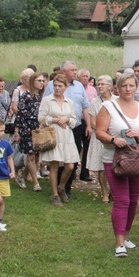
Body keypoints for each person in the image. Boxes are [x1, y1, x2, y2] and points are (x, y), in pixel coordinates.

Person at [95, 71, 139, 257]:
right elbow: (99, 132)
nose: (128, 89)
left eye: (131, 85)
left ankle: (126, 235)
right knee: (122, 200)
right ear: (117, 87)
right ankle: (119, 242)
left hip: (137, 160)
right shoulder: (108, 106)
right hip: (115, 159)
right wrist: (113, 140)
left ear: (136, 87)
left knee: (134, 199)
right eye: (124, 85)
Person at [45, 61, 90, 196]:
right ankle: (56, 189)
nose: (75, 72)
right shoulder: (50, 87)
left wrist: (88, 125)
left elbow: (85, 106)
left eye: (76, 70)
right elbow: (44, 109)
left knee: (72, 161)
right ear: (64, 72)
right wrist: (55, 120)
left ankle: (65, 187)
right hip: (55, 129)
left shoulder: (79, 87)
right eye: (72, 70)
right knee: (57, 161)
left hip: (73, 128)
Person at [38, 74, 80, 207]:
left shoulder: (69, 102)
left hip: (67, 136)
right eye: (55, 86)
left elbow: (74, 120)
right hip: (53, 135)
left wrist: (66, 119)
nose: (57, 88)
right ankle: (55, 194)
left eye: (60, 86)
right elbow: (41, 118)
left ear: (65, 87)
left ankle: (61, 187)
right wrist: (55, 119)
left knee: (69, 166)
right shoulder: (47, 100)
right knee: (54, 166)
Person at [13, 72, 46, 192]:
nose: (42, 83)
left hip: (38, 128)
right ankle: (36, 184)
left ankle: (21, 176)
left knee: (36, 156)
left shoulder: (40, 97)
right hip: (27, 127)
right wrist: (17, 131)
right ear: (33, 82)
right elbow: (20, 115)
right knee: (31, 155)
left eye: (43, 81)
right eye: (39, 81)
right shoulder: (25, 96)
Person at [86, 75, 115, 203]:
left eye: (102, 84)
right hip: (99, 138)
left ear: (110, 86)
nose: (100, 86)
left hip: (114, 137)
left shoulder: (117, 100)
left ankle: (115, 191)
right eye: (98, 84)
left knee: (116, 167)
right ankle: (104, 192)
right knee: (102, 167)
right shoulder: (94, 102)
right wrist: (103, 130)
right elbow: (92, 122)